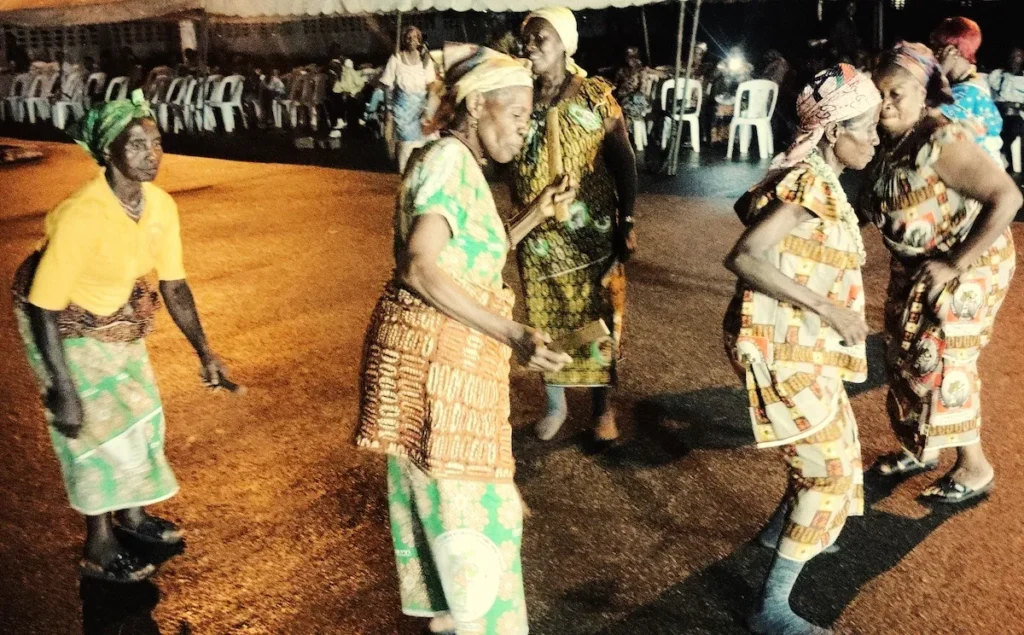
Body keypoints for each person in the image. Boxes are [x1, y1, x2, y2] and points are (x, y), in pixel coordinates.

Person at [354, 44, 574, 635]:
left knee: (465, 536)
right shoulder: (449, 160)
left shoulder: (452, 162)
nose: (526, 132)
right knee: (480, 539)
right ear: (477, 106)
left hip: (444, 377)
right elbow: (420, 268)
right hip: (440, 382)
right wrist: (513, 332)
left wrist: (533, 214)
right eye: (520, 116)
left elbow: (469, 253)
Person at [11, 90, 236, 583]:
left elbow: (173, 284)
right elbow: (44, 305)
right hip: (60, 318)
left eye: (155, 142)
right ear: (107, 152)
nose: (150, 154)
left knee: (141, 414)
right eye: (134, 145)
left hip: (116, 311)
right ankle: (98, 546)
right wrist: (62, 387)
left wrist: (205, 352)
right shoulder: (83, 213)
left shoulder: (158, 205)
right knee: (93, 430)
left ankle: (131, 517)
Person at [724, 64, 880, 635]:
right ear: (835, 132)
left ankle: (785, 532)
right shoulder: (811, 181)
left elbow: (755, 213)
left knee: (836, 448)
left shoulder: (815, 176)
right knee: (829, 472)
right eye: (867, 125)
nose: (876, 136)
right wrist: (829, 308)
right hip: (782, 345)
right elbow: (744, 255)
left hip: (801, 344)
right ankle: (770, 610)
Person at [863, 43, 1021, 503]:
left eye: (898, 93)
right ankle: (922, 447)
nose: (887, 102)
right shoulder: (885, 138)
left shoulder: (940, 141)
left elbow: (1007, 197)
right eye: (880, 93)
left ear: (924, 94)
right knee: (903, 354)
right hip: (916, 264)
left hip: (968, 262)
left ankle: (975, 468)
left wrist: (956, 263)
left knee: (943, 361)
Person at [513, 7, 638, 443]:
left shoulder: (596, 95)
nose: (528, 45)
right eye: (525, 38)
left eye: (539, 37)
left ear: (565, 44)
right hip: (539, 239)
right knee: (544, 321)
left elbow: (623, 161)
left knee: (599, 318)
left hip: (592, 236)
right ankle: (556, 405)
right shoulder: (519, 97)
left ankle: (603, 409)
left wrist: (627, 220)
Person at [930, 17, 1004, 163]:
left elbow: (925, 116)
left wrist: (941, 72)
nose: (932, 55)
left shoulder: (968, 92)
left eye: (936, 48)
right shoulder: (971, 82)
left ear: (952, 51)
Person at [381, 26, 439, 172]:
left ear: (419, 40)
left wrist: (428, 108)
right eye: (408, 37)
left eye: (414, 37)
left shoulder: (425, 60)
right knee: (407, 149)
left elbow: (431, 85)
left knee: (429, 149)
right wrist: (388, 110)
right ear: (403, 40)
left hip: (422, 110)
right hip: (403, 113)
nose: (411, 40)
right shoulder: (396, 59)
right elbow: (387, 86)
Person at [989, 46, 1024, 156]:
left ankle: (1015, 166)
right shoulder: (997, 75)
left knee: (1014, 125)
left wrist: (1016, 105)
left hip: (1018, 115)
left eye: (1018, 56)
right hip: (998, 112)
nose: (1014, 59)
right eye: (1012, 56)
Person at [614, 46, 652, 126]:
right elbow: (615, 84)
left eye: (634, 57)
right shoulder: (622, 70)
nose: (631, 60)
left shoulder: (641, 71)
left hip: (634, 98)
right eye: (629, 57)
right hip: (621, 97)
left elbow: (642, 90)